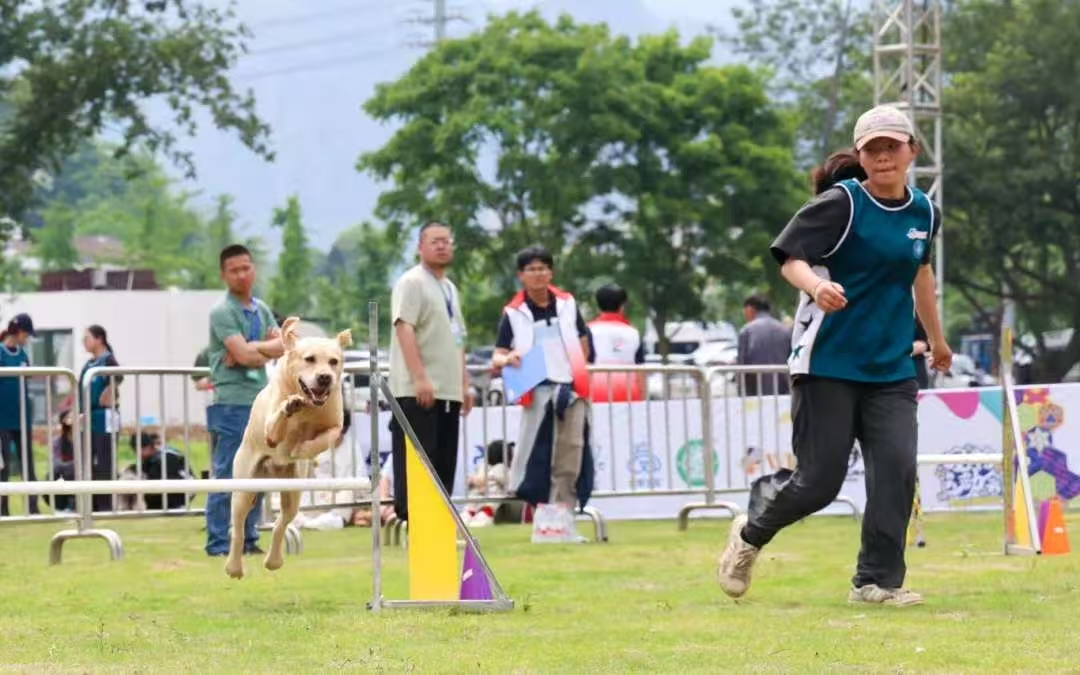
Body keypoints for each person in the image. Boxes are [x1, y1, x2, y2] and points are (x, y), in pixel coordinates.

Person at [718, 105, 953, 607]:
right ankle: (749, 536)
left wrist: (937, 339)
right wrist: (816, 287)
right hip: (828, 363)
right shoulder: (841, 204)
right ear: (862, 156)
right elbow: (790, 258)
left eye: (893, 146)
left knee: (896, 470)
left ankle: (876, 582)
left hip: (891, 366)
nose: (884, 156)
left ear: (913, 149)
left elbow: (922, 276)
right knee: (819, 482)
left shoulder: (924, 212)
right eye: (873, 149)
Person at [492, 245, 595, 527]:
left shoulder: (567, 304)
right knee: (537, 453)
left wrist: (579, 368)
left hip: (571, 389)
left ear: (551, 272)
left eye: (543, 268)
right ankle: (541, 514)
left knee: (571, 452)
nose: (539, 274)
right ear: (521, 275)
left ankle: (563, 517)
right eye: (532, 269)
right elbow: (497, 354)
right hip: (536, 388)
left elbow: (583, 339)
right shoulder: (513, 313)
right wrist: (508, 358)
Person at [388, 222, 472, 523]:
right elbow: (404, 326)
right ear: (420, 246)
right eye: (434, 241)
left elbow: (458, 337)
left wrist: (464, 382)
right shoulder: (412, 282)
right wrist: (420, 376)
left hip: (448, 390)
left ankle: (439, 518)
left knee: (443, 459)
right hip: (416, 389)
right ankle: (415, 520)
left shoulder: (449, 288)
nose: (442, 246)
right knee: (419, 460)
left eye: (447, 241)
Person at [205, 244, 283, 558]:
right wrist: (257, 349)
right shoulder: (222, 311)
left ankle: (248, 539)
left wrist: (254, 348)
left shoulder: (261, 308)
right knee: (227, 472)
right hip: (231, 401)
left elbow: (282, 345)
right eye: (235, 270)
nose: (242, 274)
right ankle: (218, 542)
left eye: (246, 267)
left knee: (260, 471)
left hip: (261, 401)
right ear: (224, 275)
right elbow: (243, 354)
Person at [79, 324, 122, 513]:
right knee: (86, 461)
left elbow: (118, 378)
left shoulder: (108, 360)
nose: (84, 342)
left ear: (99, 339)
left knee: (105, 461)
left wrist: (109, 392)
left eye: (87, 337)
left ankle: (106, 504)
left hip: (105, 417)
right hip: (88, 417)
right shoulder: (88, 364)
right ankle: (88, 503)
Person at [0, 313, 38, 516]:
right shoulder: (0, 352)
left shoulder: (22, 354)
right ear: (19, 331)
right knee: (3, 465)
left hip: (22, 417)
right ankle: (3, 509)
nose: (27, 338)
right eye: (27, 334)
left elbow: (29, 374)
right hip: (2, 419)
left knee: (28, 464)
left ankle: (33, 507)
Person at [587, 284, 645, 402]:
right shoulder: (633, 333)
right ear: (622, 306)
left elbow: (584, 365)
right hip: (630, 396)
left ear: (598, 305)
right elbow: (640, 372)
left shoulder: (589, 330)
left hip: (597, 396)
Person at [737, 294, 792, 396]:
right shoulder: (785, 331)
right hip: (783, 393)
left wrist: (741, 395)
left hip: (755, 394)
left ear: (749, 309)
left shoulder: (746, 331)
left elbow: (741, 366)